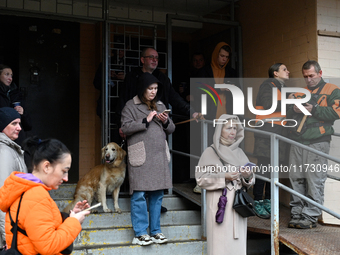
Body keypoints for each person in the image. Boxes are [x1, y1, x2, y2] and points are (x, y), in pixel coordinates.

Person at [0, 137, 90, 254]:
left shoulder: (25, 189)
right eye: (64, 171)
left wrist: (69, 217)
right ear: (46, 166)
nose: (66, 178)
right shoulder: (36, 196)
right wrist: (74, 223)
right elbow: (48, 246)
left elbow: (40, 228)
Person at [121, 72, 175, 246]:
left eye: (156, 88)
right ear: (142, 89)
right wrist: (146, 119)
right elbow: (125, 128)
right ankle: (140, 233)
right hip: (141, 156)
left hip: (158, 157)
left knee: (158, 194)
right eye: (150, 88)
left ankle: (156, 231)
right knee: (139, 195)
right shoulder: (130, 105)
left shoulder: (160, 105)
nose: (153, 92)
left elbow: (172, 128)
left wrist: (165, 121)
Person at [287, 60, 340, 229]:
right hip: (298, 140)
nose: (308, 80)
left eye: (311, 76)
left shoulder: (332, 90)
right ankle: (297, 213)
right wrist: (293, 108)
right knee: (296, 178)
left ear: (320, 73)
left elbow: (336, 112)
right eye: (305, 77)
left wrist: (314, 109)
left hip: (318, 141)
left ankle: (310, 216)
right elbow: (286, 112)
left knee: (314, 180)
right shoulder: (301, 92)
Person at [195, 114, 254, 255]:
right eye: (228, 128)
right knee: (219, 246)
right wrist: (224, 177)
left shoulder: (240, 152)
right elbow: (201, 179)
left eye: (235, 128)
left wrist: (247, 176)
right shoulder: (210, 152)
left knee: (237, 247)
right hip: (219, 205)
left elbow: (251, 180)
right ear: (220, 129)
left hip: (238, 206)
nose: (232, 132)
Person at [193, 42, 238, 194]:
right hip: (210, 117)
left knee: (225, 150)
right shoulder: (204, 71)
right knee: (206, 149)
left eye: (226, 57)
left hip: (226, 118)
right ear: (215, 55)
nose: (224, 59)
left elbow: (239, 93)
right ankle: (201, 182)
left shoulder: (232, 73)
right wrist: (217, 88)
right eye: (221, 56)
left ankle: (224, 181)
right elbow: (198, 92)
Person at [252, 63, 290, 219]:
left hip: (277, 133)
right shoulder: (268, 85)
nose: (288, 72)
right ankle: (257, 201)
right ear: (275, 73)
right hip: (266, 134)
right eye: (284, 69)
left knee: (272, 168)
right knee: (263, 168)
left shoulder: (280, 87)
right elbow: (269, 105)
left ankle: (267, 199)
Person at [0, 107, 28, 247]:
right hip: (7, 235)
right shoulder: (4, 152)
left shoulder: (11, 149)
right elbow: (2, 198)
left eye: (19, 123)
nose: (19, 128)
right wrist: (7, 236)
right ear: (3, 125)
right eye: (14, 123)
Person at [0, 64, 32, 146]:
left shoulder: (15, 94)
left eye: (11, 75)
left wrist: (23, 112)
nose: (10, 78)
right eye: (6, 74)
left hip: (18, 139)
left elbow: (28, 125)